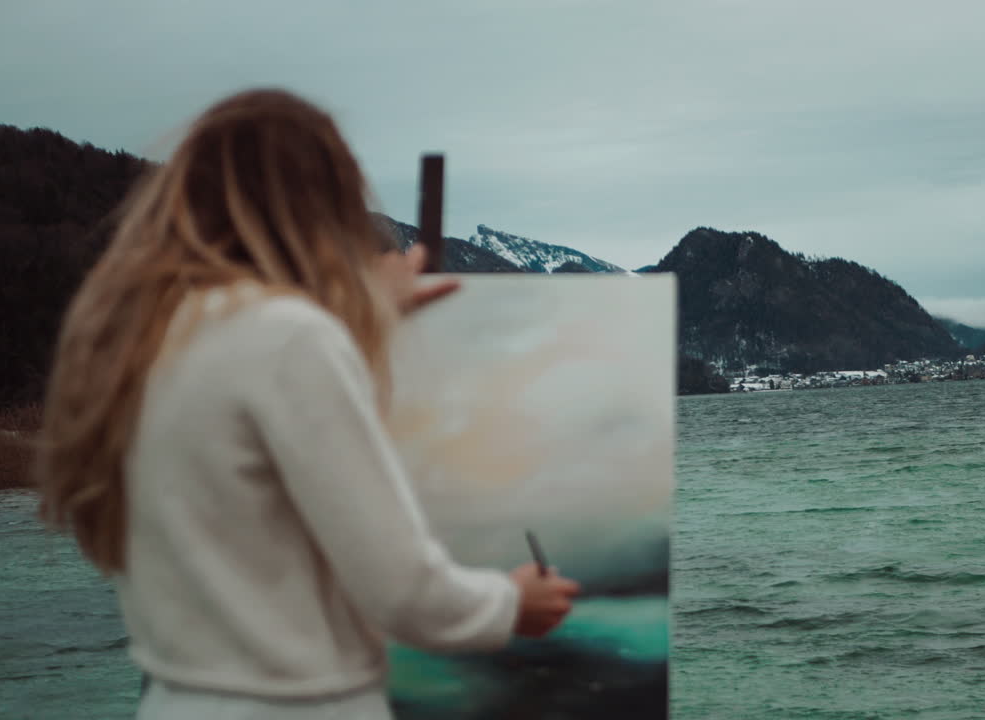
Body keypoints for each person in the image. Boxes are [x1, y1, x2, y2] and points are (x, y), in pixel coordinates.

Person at [33, 88, 580, 719]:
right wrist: (511, 603)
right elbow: (402, 591)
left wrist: (363, 314)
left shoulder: (142, 340)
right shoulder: (290, 339)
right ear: (321, 204)